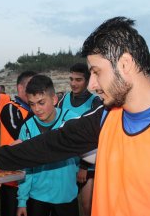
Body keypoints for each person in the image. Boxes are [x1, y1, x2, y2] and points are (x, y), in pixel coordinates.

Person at [0, 16, 150, 216]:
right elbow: (54, 142)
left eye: (97, 72)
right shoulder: (106, 116)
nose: (91, 85)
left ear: (125, 64)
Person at [16, 74, 79, 216]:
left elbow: (86, 150)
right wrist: (22, 201)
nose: (36, 109)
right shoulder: (27, 128)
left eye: (41, 102)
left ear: (54, 99)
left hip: (66, 196)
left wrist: (81, 167)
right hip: (37, 197)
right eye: (32, 104)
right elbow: (25, 167)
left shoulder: (71, 120)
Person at [57, 62, 102, 216]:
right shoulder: (64, 99)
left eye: (78, 80)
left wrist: (83, 165)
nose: (73, 83)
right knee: (65, 204)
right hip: (66, 163)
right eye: (71, 79)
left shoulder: (95, 102)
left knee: (87, 206)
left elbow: (95, 136)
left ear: (88, 80)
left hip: (86, 165)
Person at [0, 70, 36, 216]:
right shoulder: (10, 107)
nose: (35, 91)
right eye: (31, 87)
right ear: (20, 88)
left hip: (31, 177)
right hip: (12, 178)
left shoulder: (32, 109)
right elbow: (22, 135)